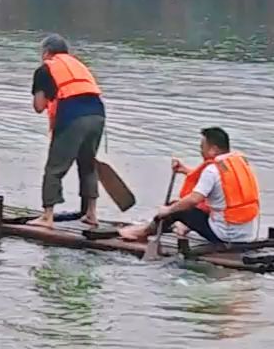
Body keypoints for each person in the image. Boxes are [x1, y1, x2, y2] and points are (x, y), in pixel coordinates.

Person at [119, 127, 261, 246]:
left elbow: (193, 200)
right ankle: (184, 227)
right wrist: (185, 170)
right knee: (202, 206)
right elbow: (218, 184)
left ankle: (141, 232)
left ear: (213, 149)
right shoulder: (239, 164)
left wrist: (167, 210)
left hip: (226, 236)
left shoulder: (212, 170)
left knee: (177, 208)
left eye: (202, 148)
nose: (201, 151)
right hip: (247, 234)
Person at [30, 33, 106, 230]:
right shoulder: (79, 65)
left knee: (54, 168)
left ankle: (47, 216)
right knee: (88, 165)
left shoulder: (45, 69)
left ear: (46, 52)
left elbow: (39, 106)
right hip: (98, 115)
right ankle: (91, 214)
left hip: (73, 118)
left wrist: (44, 95)